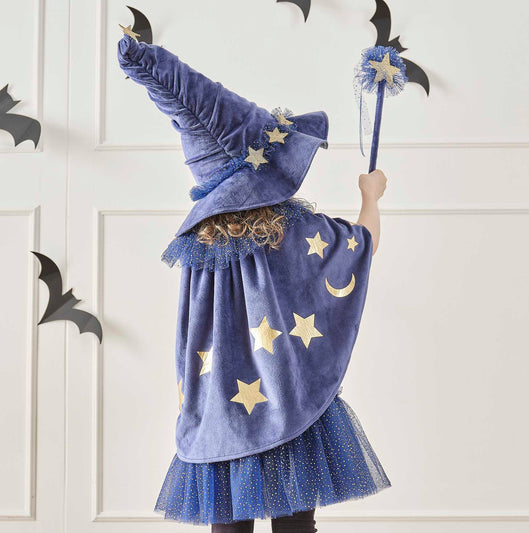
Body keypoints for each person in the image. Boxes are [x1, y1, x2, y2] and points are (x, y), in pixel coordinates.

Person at [117, 30, 391, 533]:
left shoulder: (197, 244)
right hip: (288, 401)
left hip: (220, 406)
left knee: (228, 524)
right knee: (295, 525)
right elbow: (363, 245)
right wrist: (370, 196)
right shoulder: (291, 228)